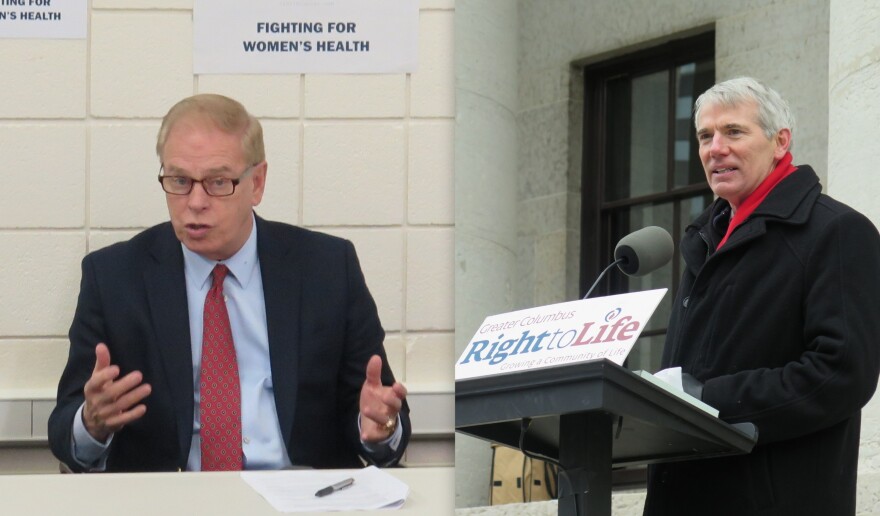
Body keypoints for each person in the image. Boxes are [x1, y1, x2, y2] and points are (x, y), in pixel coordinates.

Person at [48, 93, 410, 472]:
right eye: (179, 180)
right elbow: (65, 429)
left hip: (302, 496)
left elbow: (377, 410)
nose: (196, 202)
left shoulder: (328, 269)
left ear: (257, 183)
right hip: (169, 501)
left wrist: (380, 429)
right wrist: (91, 424)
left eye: (218, 182)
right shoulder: (114, 277)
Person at [643, 77, 880, 515]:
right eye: (704, 136)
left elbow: (841, 372)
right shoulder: (703, 241)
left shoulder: (837, 232)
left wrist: (704, 399)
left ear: (779, 141)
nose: (716, 148)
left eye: (734, 132)